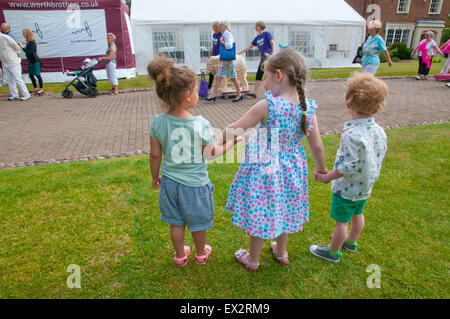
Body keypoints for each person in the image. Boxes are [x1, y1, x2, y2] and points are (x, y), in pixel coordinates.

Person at [224, 49, 327, 270]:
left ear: (278, 75)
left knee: (262, 210)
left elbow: (235, 128)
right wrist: (321, 169)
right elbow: (317, 145)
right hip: (293, 169)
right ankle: (281, 253)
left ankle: (252, 259)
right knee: (284, 206)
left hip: (266, 167)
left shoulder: (268, 105)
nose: (264, 81)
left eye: (266, 75)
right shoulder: (307, 107)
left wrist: (205, 134)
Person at [148, 56, 242, 267]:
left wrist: (155, 176)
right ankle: (201, 253)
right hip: (195, 185)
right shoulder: (200, 124)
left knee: (176, 221)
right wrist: (233, 142)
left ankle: (180, 255)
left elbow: (155, 155)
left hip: (170, 184)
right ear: (188, 95)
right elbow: (212, 153)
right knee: (198, 223)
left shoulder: (157, 122)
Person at [310, 72, 388, 263]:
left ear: (348, 103)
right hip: (365, 186)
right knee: (358, 214)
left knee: (341, 222)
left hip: (347, 188)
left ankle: (332, 252)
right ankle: (351, 243)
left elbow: (349, 165)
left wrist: (328, 177)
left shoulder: (352, 134)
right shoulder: (379, 131)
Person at [206, 21, 244, 103]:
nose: (219, 27)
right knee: (219, 77)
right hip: (226, 60)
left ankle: (239, 94)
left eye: (221, 25)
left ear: (224, 26)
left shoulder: (227, 34)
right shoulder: (224, 34)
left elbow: (229, 45)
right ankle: (213, 95)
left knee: (232, 78)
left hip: (229, 61)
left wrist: (222, 42)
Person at [239, 21, 275, 98]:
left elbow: (272, 43)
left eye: (256, 26)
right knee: (260, 74)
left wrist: (272, 54)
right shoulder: (257, 38)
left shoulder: (266, 34)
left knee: (265, 74)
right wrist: (239, 53)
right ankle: (255, 93)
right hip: (263, 58)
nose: (255, 27)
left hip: (267, 57)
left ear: (260, 26)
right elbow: (249, 47)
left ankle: (270, 93)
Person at [0, 32, 31, 101]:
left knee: (18, 79)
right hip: (5, 63)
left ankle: (26, 95)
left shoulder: (6, 37)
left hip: (13, 62)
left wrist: (17, 55)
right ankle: (14, 95)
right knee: (9, 79)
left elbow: (16, 47)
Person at [18, 29, 43, 95]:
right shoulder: (28, 42)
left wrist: (21, 47)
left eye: (24, 33)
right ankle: (35, 88)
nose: (23, 35)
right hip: (30, 61)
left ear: (27, 34)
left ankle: (41, 89)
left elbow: (30, 51)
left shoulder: (32, 42)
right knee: (31, 75)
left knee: (37, 75)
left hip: (35, 61)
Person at [208, 21, 222, 89]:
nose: (212, 27)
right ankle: (209, 87)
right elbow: (213, 45)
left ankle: (220, 87)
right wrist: (210, 54)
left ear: (217, 27)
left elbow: (222, 46)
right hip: (213, 56)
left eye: (213, 26)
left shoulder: (221, 35)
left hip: (218, 56)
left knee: (219, 72)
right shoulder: (214, 35)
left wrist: (219, 55)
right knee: (211, 71)